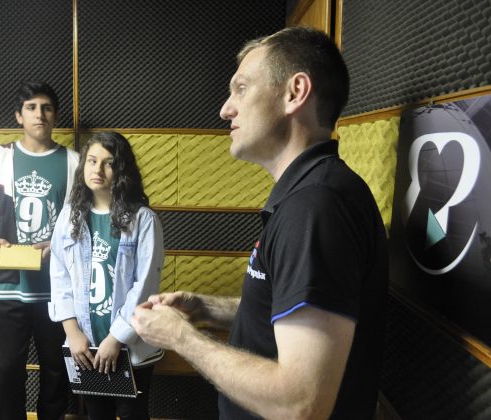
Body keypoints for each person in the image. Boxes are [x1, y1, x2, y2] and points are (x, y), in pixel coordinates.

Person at [131, 26, 389, 420]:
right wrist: (205, 308)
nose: (225, 109)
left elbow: (300, 403)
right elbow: (285, 309)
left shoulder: (314, 208)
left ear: (295, 93)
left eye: (241, 88)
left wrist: (180, 337)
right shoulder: (311, 194)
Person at [0, 81, 79, 420]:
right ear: (19, 116)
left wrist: (57, 244)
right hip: (5, 288)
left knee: (57, 372)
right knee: (5, 373)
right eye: (31, 108)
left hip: (56, 292)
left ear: (55, 115)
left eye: (46, 108)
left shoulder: (74, 162)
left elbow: (83, 221)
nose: (39, 114)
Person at [49, 131, 164, 420]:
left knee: (132, 414)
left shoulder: (144, 220)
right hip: (86, 345)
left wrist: (116, 338)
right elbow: (59, 277)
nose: (97, 169)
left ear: (122, 169)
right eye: (92, 161)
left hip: (130, 347)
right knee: (96, 414)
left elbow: (145, 286)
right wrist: (72, 333)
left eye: (108, 163)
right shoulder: (69, 217)